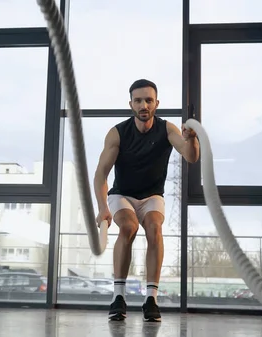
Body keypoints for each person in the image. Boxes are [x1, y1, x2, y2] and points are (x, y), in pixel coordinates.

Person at [93, 79, 200, 322]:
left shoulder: (167, 129)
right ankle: (118, 297)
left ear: (156, 103)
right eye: (138, 100)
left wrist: (192, 138)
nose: (144, 105)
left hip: (152, 196)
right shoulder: (118, 133)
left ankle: (151, 299)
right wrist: (102, 208)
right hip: (123, 195)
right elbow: (101, 174)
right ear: (130, 104)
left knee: (154, 227)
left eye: (148, 100)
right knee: (129, 227)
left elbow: (191, 156)